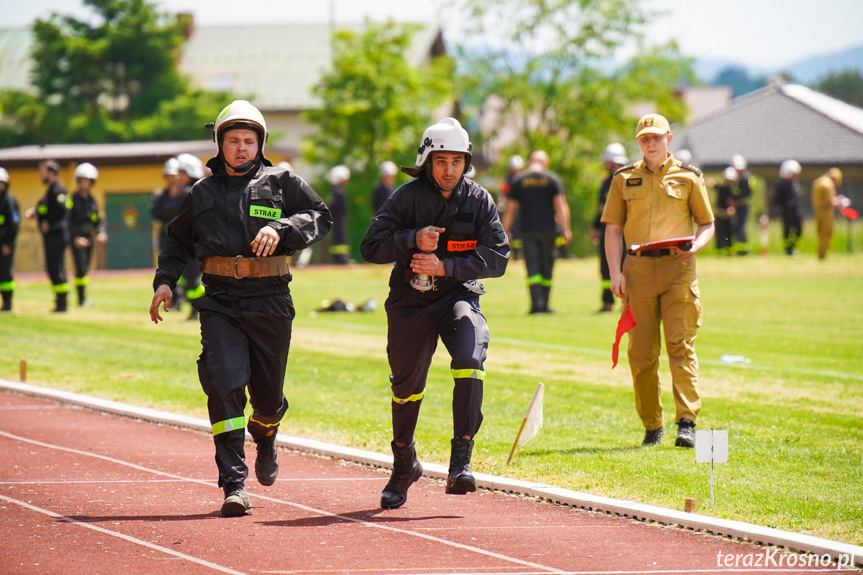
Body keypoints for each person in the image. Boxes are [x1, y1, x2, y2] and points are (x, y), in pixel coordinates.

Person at [149, 100, 332, 517]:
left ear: (260, 144)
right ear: (220, 144)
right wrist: (164, 282)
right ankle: (234, 483)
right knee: (224, 383)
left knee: (266, 401)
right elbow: (178, 243)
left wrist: (281, 227)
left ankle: (266, 435)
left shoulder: (282, 181)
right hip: (220, 303)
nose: (241, 148)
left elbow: (321, 217)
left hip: (271, 300)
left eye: (249, 141)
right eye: (233, 140)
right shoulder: (201, 193)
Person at [360, 117, 509, 509]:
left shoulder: (479, 199)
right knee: (406, 386)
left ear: (466, 163)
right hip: (409, 304)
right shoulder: (405, 198)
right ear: (427, 160)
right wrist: (411, 240)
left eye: (456, 161)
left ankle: (460, 461)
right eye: (441, 161)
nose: (449, 170)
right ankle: (403, 463)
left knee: (470, 358)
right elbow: (370, 247)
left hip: (457, 296)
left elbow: (499, 257)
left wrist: (446, 268)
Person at [601, 113, 715, 448]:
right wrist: (614, 272)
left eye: (656, 138)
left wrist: (696, 245)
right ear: (639, 143)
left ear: (669, 138)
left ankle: (687, 422)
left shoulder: (689, 176)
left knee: (681, 346)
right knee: (641, 353)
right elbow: (613, 229)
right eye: (644, 139)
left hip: (678, 270)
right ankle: (652, 426)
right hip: (637, 271)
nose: (650, 144)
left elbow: (707, 223)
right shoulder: (623, 178)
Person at [502, 150, 571, 314]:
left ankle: (536, 305)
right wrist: (566, 229)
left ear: (529, 162)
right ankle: (545, 304)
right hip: (549, 230)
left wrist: (504, 231)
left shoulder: (519, 180)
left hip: (528, 230)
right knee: (547, 266)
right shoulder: (552, 179)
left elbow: (510, 209)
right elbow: (561, 206)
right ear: (545, 163)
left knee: (532, 266)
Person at [25, 160, 70, 312]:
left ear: (51, 173)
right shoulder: (50, 191)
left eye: (42, 172)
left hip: (57, 236)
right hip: (51, 238)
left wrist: (49, 224)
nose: (40, 176)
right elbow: (46, 207)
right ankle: (58, 301)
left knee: (57, 269)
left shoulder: (59, 190)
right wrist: (35, 211)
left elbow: (64, 212)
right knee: (52, 269)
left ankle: (62, 303)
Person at [591, 143, 628, 312]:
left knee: (626, 265)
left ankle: (627, 300)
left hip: (625, 231)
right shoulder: (605, 183)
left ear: (615, 162)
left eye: (607, 161)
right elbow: (600, 209)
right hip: (606, 230)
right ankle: (607, 302)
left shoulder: (627, 180)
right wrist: (595, 227)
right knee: (605, 266)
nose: (604, 164)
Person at [69, 162, 108, 307]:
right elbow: (67, 221)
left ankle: (83, 298)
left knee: (85, 268)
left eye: (88, 180)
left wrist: (101, 232)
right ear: (78, 181)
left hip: (89, 238)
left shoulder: (92, 201)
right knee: (80, 267)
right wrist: (75, 238)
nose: (85, 183)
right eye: (83, 180)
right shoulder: (71, 200)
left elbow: (98, 220)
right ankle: (81, 299)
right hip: (77, 238)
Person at [811, 168, 845, 260]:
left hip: (817, 210)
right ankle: (823, 255)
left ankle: (820, 254)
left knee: (819, 233)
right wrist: (839, 202)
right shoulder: (828, 185)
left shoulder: (817, 182)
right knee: (826, 233)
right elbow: (829, 202)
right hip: (826, 211)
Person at [0, 167, 20, 312]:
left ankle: (7, 303)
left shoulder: (9, 201)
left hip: (5, 244)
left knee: (5, 272)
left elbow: (14, 225)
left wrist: (8, 244)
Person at [498, 155, 525, 259]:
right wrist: (501, 204)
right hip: (509, 210)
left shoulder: (523, 180)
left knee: (518, 234)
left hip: (520, 211)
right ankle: (508, 254)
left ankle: (518, 255)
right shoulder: (507, 181)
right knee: (508, 231)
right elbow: (502, 194)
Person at [775, 160, 803, 256]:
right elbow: (777, 200)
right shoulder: (782, 186)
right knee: (787, 231)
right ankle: (788, 250)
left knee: (799, 230)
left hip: (796, 210)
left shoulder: (795, 185)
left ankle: (792, 246)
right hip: (786, 212)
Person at [327, 164, 351, 264]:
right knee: (340, 237)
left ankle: (340, 258)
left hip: (338, 218)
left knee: (339, 237)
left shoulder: (336, 190)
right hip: (338, 219)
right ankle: (341, 259)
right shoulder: (338, 191)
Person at [712, 166, 738, 254]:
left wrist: (731, 210)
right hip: (720, 215)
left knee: (728, 236)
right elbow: (716, 186)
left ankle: (729, 253)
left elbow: (733, 203)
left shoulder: (733, 190)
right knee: (719, 235)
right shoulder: (722, 189)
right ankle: (719, 253)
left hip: (728, 217)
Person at [730, 155, 752, 255]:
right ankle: (737, 249)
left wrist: (735, 203)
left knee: (740, 228)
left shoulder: (745, 179)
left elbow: (746, 196)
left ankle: (743, 251)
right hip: (735, 207)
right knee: (735, 228)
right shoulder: (734, 179)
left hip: (742, 207)